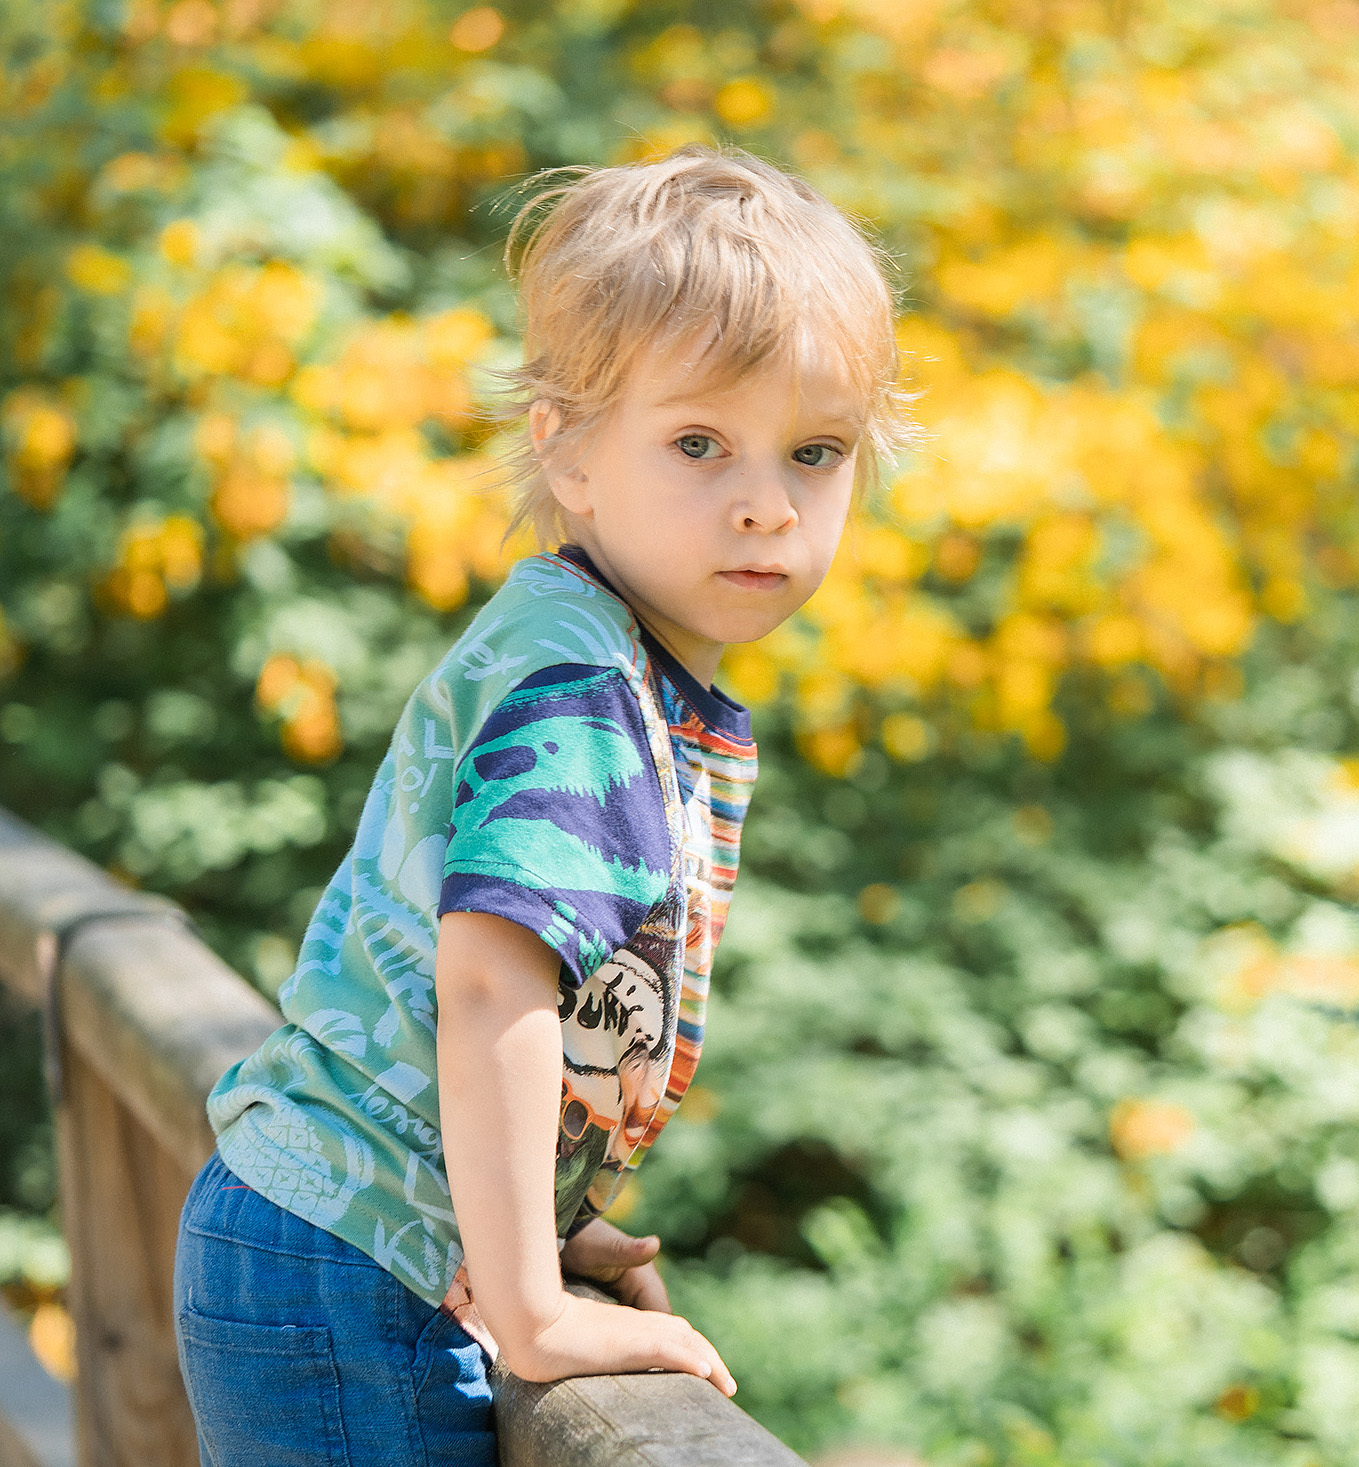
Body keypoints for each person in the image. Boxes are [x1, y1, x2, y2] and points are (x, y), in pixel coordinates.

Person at [170, 145, 914, 1465]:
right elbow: (488, 987)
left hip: (339, 1249)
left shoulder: (594, 650)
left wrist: (548, 1221)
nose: (764, 503)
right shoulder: (577, 685)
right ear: (566, 455)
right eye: (699, 443)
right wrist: (532, 1311)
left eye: (815, 451)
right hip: (355, 1277)